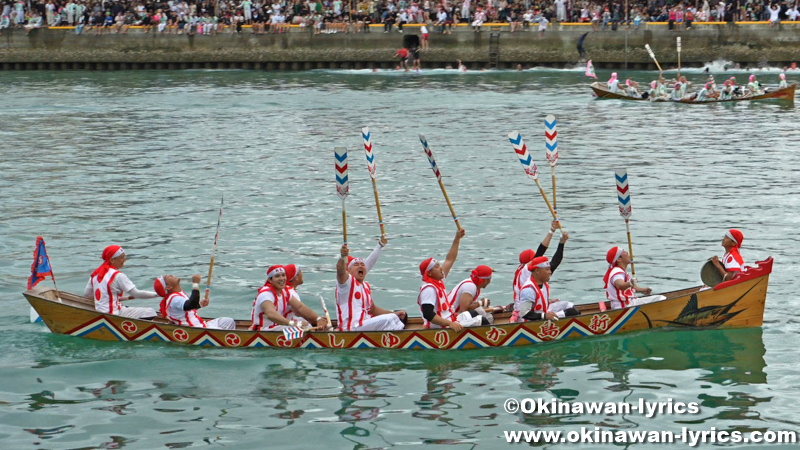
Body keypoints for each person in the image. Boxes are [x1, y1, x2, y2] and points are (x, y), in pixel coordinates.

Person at [336, 236, 406, 331]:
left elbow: (373, 310)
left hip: (365, 324)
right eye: (356, 265)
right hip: (351, 329)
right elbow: (340, 271)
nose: (360, 266)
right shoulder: (346, 284)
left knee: (397, 316)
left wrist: (394, 313)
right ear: (348, 270)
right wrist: (343, 257)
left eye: (362, 265)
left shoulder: (365, 286)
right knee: (389, 319)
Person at [418, 229, 482, 331]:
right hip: (440, 326)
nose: (441, 268)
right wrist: (451, 324)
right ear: (429, 273)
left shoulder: (437, 281)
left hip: (450, 319)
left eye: (439, 265)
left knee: (477, 313)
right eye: (437, 267)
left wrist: (457, 238)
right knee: (482, 321)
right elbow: (428, 314)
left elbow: (450, 259)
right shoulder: (429, 289)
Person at [83, 245, 158, 319]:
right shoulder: (118, 276)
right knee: (150, 311)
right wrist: (158, 295)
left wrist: (118, 298)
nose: (124, 260)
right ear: (112, 260)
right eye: (122, 258)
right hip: (113, 314)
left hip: (99, 312)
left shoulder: (95, 274)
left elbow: (88, 294)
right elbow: (137, 293)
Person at [251, 265, 329, 331]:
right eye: (277, 276)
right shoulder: (266, 294)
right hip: (264, 329)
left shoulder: (285, 292)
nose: (282, 278)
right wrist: (292, 323)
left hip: (278, 325)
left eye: (283, 275)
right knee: (301, 328)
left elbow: (300, 307)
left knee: (306, 323)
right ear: (270, 280)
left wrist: (317, 319)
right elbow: (270, 314)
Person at [154, 274, 235, 329]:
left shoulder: (177, 295)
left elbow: (187, 309)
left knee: (229, 321)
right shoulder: (174, 299)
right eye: (167, 277)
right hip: (196, 328)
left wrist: (200, 305)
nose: (170, 275)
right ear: (168, 287)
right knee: (226, 329)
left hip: (201, 324)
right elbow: (191, 305)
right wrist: (195, 284)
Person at [516, 256, 580, 322]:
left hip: (544, 313)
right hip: (531, 322)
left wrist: (548, 302)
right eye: (547, 269)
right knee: (572, 312)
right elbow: (524, 314)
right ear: (537, 271)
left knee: (569, 305)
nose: (550, 272)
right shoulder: (528, 290)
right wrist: (544, 316)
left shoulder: (543, 283)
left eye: (549, 269)